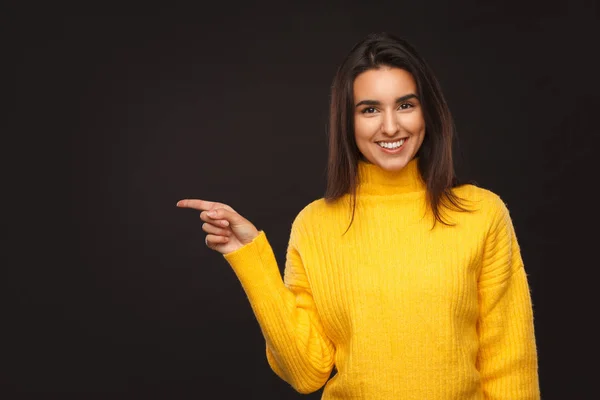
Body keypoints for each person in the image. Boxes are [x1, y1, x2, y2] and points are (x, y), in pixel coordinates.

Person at [176, 32, 540, 399]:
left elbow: (510, 362)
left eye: (405, 105)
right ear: (347, 121)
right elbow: (307, 371)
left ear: (427, 110)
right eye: (370, 109)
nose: (391, 127)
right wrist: (251, 257)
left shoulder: (482, 213)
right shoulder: (315, 224)